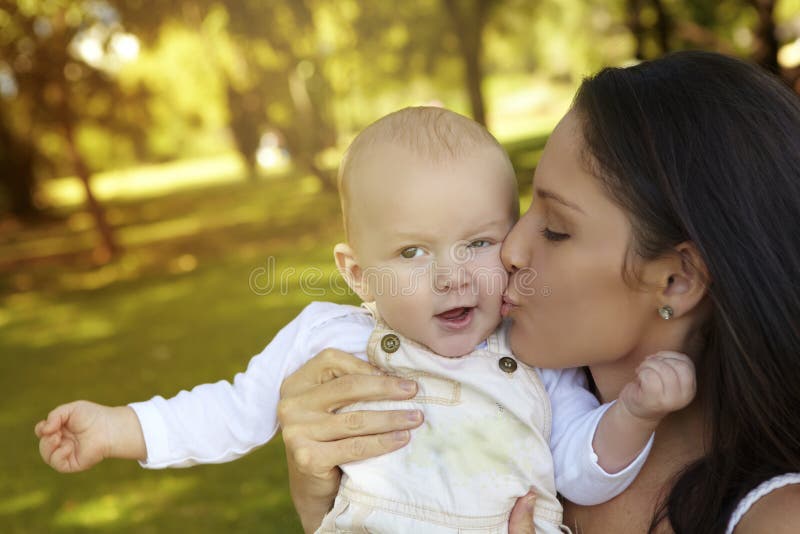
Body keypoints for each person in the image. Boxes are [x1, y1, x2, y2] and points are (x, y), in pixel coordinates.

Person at [35, 107, 695, 533]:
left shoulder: (529, 353)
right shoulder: (330, 336)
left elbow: (580, 469)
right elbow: (232, 412)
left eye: (478, 242)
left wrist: (634, 414)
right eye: (412, 253)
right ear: (358, 274)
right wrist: (119, 428)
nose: (452, 276)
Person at [276, 51, 800, 534]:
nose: (509, 250)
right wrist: (318, 496)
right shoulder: (498, 415)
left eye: (556, 229)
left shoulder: (773, 520)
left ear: (676, 281)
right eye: (525, 211)